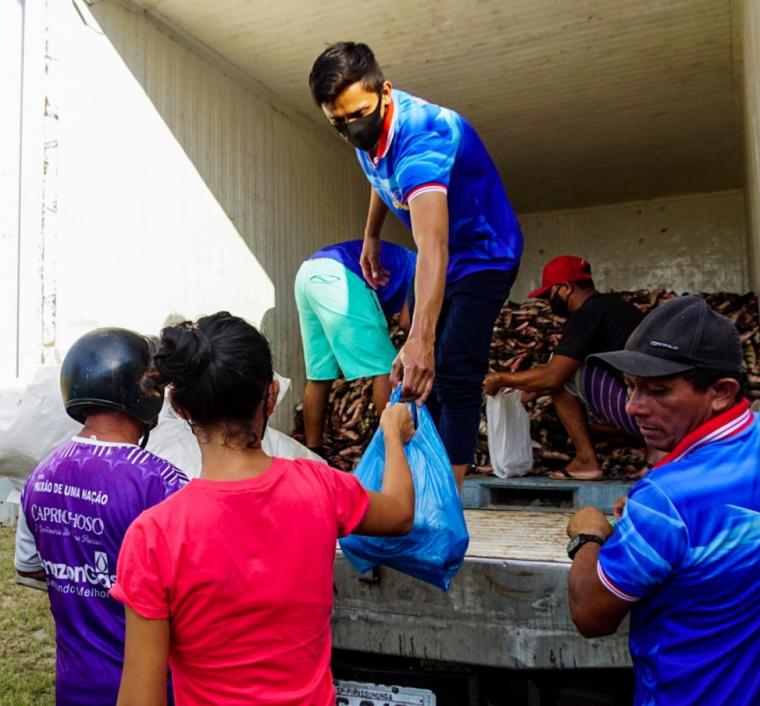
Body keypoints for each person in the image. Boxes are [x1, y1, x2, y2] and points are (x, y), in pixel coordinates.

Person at [111, 312, 416, 705]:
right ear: (271, 395)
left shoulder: (154, 536)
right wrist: (393, 435)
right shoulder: (319, 487)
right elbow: (399, 512)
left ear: (180, 407)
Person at [309, 42, 523, 487]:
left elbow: (434, 246)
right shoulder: (362, 126)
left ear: (385, 92)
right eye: (339, 122)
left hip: (484, 255)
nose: (352, 129)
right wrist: (371, 233)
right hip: (439, 252)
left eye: (358, 115)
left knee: (453, 369)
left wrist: (421, 340)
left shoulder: (425, 135)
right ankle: (426, 474)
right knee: (421, 375)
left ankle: (447, 501)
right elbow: (377, 171)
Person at [564, 296, 759, 706]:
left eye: (659, 391)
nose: (633, 407)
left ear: (721, 392)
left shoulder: (665, 500)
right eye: (631, 386)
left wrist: (587, 537)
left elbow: (591, 616)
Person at [16, 328, 188, 706]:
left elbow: (29, 567)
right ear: (147, 397)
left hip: (74, 688)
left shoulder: (39, 476)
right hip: (152, 690)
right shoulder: (162, 483)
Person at [483, 256, 646, 480]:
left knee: (561, 380)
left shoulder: (586, 314)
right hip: (657, 415)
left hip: (640, 408)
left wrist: (501, 379)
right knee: (587, 423)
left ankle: (587, 461)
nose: (548, 303)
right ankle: (653, 451)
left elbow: (552, 376)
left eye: (549, 294)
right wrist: (534, 385)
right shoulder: (616, 308)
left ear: (565, 288)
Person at [296, 239, 416, 456]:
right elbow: (407, 322)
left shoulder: (402, 262)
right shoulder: (422, 268)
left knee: (319, 374)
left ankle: (315, 454)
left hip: (308, 273)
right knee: (385, 366)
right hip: (340, 275)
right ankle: (394, 453)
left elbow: (381, 316)